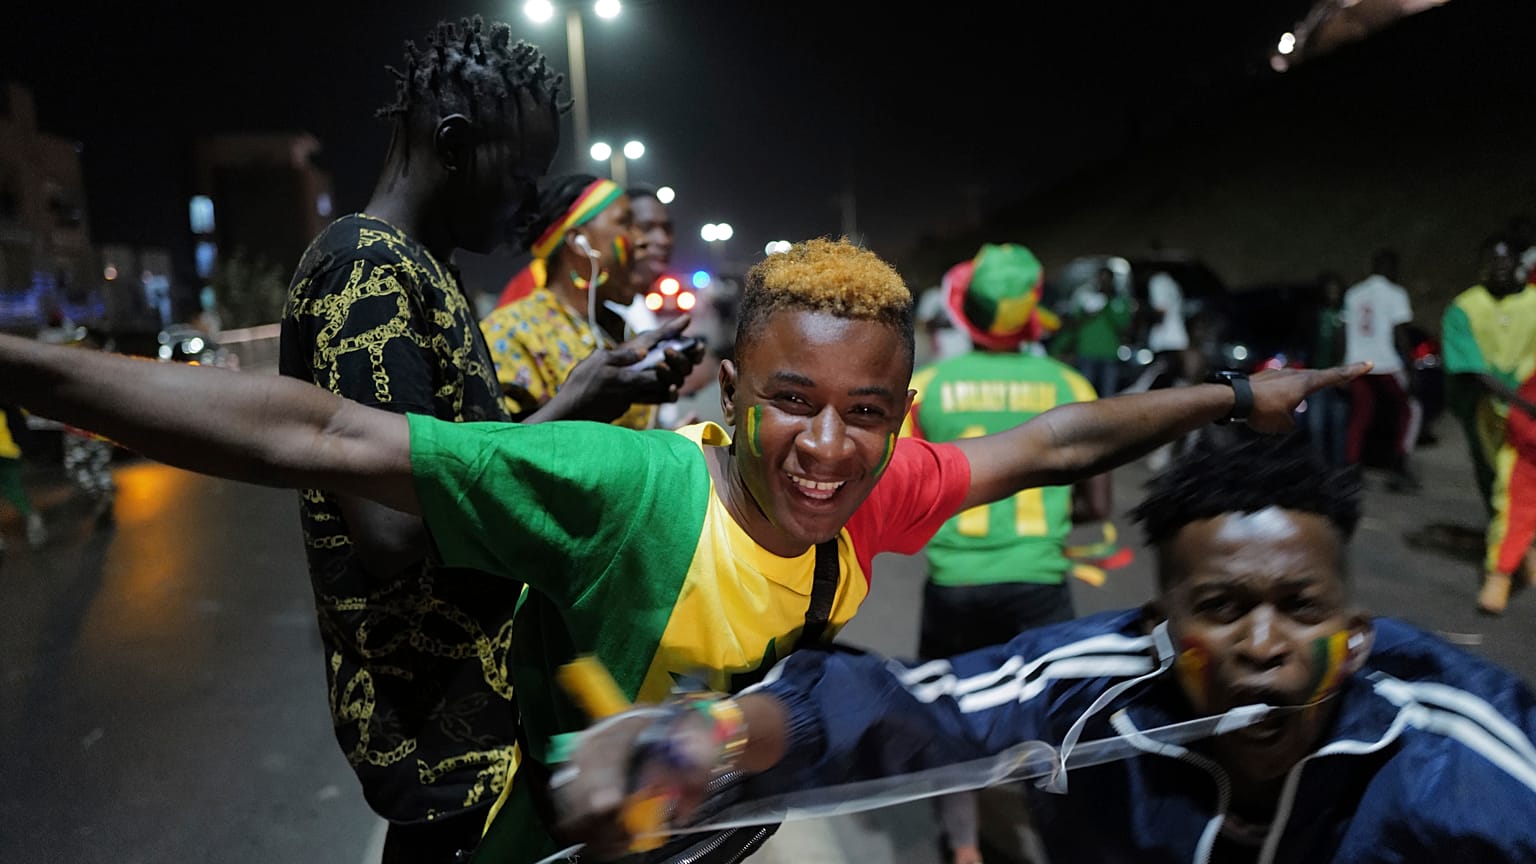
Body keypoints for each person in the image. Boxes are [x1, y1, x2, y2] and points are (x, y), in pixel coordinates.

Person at [0, 237, 1363, 864]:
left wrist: (1237, 398)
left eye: (867, 414)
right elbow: (324, 436)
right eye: (794, 404)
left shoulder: (882, 491)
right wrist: (27, 370)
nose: (829, 449)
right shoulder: (625, 487)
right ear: (728, 397)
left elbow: (1061, 441)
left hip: (727, 827)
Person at [555, 437, 1536, 864]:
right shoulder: (1099, 685)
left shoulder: (1466, 748)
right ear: (1161, 626)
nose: (1265, 645)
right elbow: (904, 707)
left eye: (1301, 609)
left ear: (1355, 635)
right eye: (1224, 608)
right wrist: (705, 736)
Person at [276, 17, 686, 861]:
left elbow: (460, 461)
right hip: (434, 728)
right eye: (523, 171)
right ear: (456, 143)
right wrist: (569, 408)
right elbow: (394, 525)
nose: (526, 202)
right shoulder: (367, 269)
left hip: (479, 709)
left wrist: (579, 400)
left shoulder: (427, 268)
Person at [902, 244, 1111, 864]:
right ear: (1031, 314)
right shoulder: (1068, 384)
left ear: (967, 314)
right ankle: (1057, 838)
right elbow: (1097, 504)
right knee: (1051, 722)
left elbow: (908, 488)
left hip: (956, 581)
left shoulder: (928, 386)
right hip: (1040, 581)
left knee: (951, 717)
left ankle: (964, 848)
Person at [480, 174, 700, 429]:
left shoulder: (617, 328)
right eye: (625, 223)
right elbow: (498, 450)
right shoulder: (510, 332)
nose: (641, 241)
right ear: (578, 241)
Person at [1442, 238, 1536, 614]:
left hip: (1525, 415)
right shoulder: (1463, 308)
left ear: (1517, 263)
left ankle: (1500, 571)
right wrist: (1522, 404)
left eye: (1505, 260)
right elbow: (1473, 369)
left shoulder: (1533, 300)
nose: (1498, 267)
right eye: (1490, 261)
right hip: (1487, 410)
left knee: (1509, 488)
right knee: (1498, 483)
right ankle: (1522, 552)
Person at [1341, 248, 1420, 490]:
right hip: (1384, 362)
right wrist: (1410, 365)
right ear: (1391, 268)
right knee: (1411, 409)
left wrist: (1341, 365)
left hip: (1357, 363)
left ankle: (1351, 467)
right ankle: (1399, 465)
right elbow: (1400, 333)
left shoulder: (1354, 293)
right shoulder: (1396, 293)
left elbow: (1343, 332)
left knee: (1361, 414)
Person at [1304, 271, 1350, 467]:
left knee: (1339, 424)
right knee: (1316, 425)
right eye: (1329, 290)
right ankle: (1318, 467)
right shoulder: (1314, 315)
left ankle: (1339, 466)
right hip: (1316, 376)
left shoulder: (1346, 316)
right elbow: (1304, 341)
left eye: (1336, 291)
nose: (1333, 294)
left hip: (1339, 377)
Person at [1064, 265, 1132, 399]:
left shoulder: (1120, 301)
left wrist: (1107, 304)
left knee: (1108, 394)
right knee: (1085, 393)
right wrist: (1089, 312)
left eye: (1107, 279)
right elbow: (1073, 324)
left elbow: (1124, 327)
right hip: (1087, 351)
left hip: (1110, 353)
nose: (1104, 282)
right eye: (1101, 279)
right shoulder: (1085, 298)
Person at [0, 402, 46, 552]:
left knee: (12, 489)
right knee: (12, 488)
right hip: (9, 449)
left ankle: (31, 515)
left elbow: (18, 418)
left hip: (8, 452)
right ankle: (32, 517)